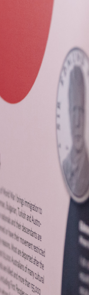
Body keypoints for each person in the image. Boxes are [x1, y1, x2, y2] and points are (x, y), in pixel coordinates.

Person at [62, 66, 89, 199]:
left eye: (81, 111)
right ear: (68, 113)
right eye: (74, 111)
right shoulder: (65, 165)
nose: (77, 122)